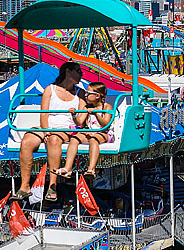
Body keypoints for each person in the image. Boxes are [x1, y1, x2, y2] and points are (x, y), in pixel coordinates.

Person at [15, 62, 86, 203]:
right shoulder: (50, 90)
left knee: (54, 140)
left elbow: (80, 121)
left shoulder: (80, 93)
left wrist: (74, 116)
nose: (81, 74)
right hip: (47, 127)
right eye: (78, 71)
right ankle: (25, 186)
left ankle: (52, 185)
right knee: (27, 141)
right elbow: (44, 114)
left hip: (66, 127)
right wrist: (46, 130)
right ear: (68, 71)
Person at [69, 81, 114, 183]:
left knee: (94, 140)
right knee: (74, 139)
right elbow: (80, 122)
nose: (85, 95)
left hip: (104, 133)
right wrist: (74, 115)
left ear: (97, 95)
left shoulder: (106, 107)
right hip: (90, 132)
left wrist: (96, 114)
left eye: (88, 93)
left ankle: (91, 169)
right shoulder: (86, 107)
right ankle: (68, 168)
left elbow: (105, 124)